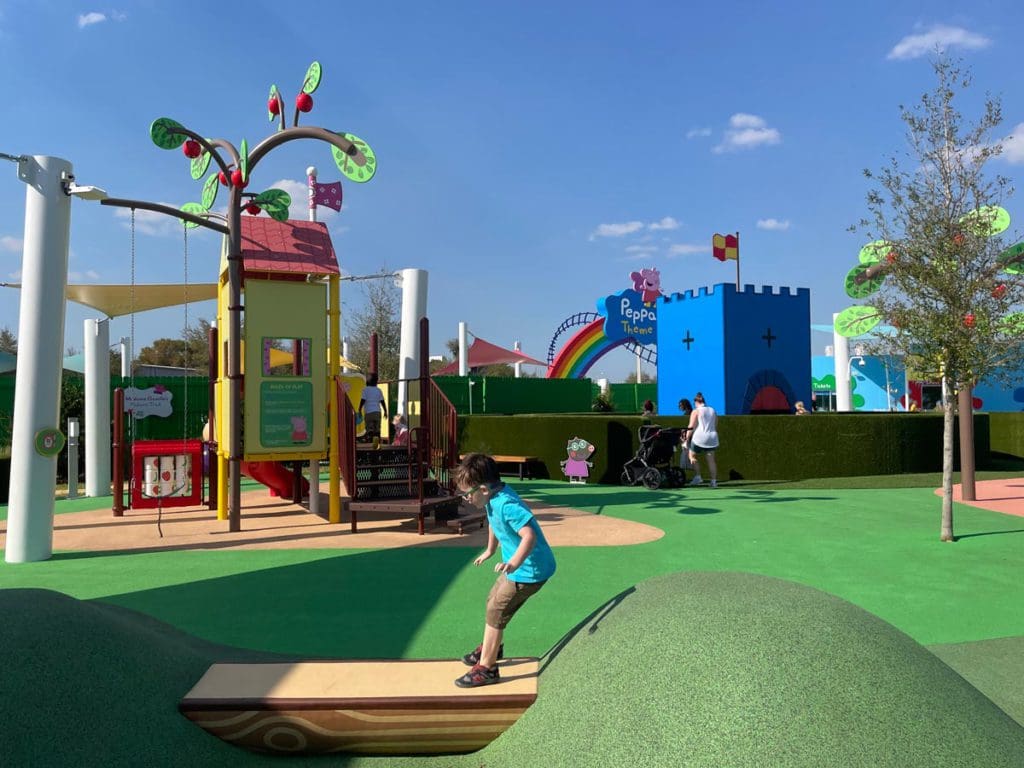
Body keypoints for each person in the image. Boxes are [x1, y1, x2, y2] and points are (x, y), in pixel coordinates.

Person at [454, 453, 556, 688]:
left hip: (530, 570)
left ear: (483, 489)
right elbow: (493, 523)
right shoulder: (493, 498)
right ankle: (493, 647)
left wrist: (515, 563)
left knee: (496, 610)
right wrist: (490, 550)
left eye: (468, 494)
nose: (466, 499)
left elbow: (528, 535)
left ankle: (488, 668)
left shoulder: (507, 505)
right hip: (519, 567)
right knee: (493, 601)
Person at [684, 392, 719, 488]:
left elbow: (690, 426)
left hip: (700, 438)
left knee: (691, 455)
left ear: (696, 401)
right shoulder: (713, 410)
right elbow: (715, 424)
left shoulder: (695, 411)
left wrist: (686, 440)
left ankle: (698, 476)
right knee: (711, 460)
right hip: (712, 437)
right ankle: (714, 482)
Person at [359, 374, 387, 445]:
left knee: (369, 428)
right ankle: (377, 443)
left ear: (367, 382)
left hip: (368, 412)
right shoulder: (378, 390)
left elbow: (363, 400)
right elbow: (382, 401)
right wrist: (385, 411)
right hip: (377, 412)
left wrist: (359, 409)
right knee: (377, 429)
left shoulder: (365, 390)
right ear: (376, 382)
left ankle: (370, 442)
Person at [677, 399, 694, 472]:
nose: (679, 407)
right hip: (690, 439)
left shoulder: (687, 414)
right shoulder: (691, 413)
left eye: (680, 405)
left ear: (685, 405)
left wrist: (684, 437)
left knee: (685, 459)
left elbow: (686, 428)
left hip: (688, 439)